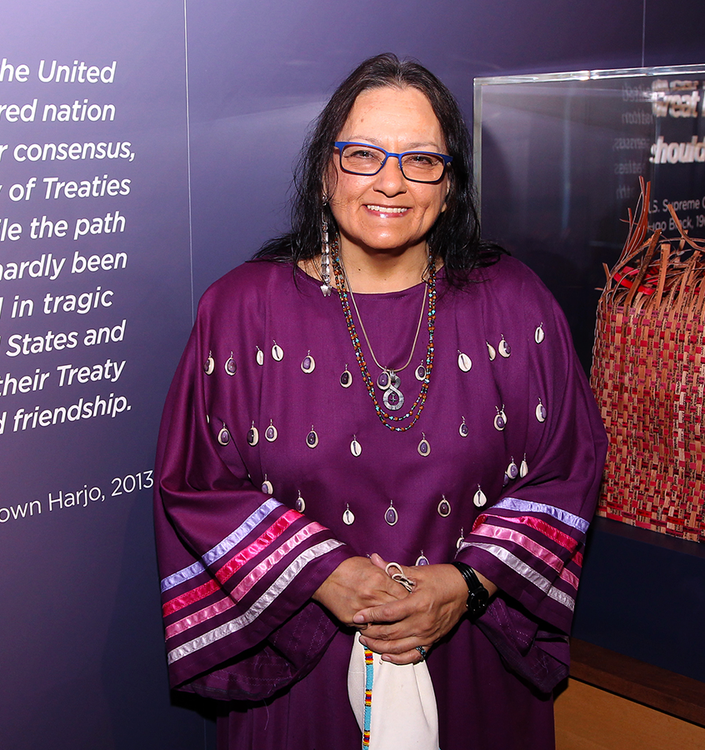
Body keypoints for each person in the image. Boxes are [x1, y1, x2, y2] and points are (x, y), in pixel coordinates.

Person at [153, 53, 607, 750]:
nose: (390, 181)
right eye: (363, 154)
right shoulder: (241, 312)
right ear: (325, 169)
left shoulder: (516, 304)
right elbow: (195, 484)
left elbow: (568, 466)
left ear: (449, 184)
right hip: (299, 671)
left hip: (475, 665)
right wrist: (320, 573)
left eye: (421, 160)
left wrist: (467, 584)